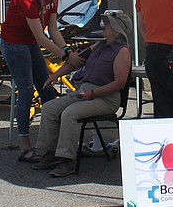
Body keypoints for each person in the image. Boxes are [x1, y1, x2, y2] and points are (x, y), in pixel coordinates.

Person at [32, 10, 134, 178]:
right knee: (50, 108)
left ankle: (67, 159)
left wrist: (92, 93)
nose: (103, 26)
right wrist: (55, 76)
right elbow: (76, 62)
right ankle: (49, 152)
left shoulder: (122, 51)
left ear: (116, 29)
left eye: (107, 23)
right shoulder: (99, 45)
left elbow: (119, 83)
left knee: (69, 114)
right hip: (85, 91)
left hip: (106, 98)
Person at [3, 0, 76, 161]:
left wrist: (67, 50)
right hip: (15, 42)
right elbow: (41, 37)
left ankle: (51, 140)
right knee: (26, 89)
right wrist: (66, 56)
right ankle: (24, 144)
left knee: (46, 86)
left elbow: (53, 29)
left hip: (29, 41)